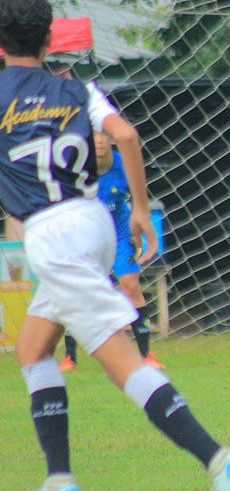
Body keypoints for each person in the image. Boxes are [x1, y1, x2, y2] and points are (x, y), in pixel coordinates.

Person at [0, 0, 230, 491]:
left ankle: (219, 460)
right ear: (50, 40)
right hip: (93, 222)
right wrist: (140, 210)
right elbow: (127, 135)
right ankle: (60, 484)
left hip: (52, 237)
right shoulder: (78, 89)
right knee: (32, 349)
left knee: (125, 365)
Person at [60, 131, 164, 371]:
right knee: (80, 292)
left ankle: (147, 355)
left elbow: (139, 200)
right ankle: (70, 357)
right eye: (92, 135)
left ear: (111, 139)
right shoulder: (77, 167)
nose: (98, 140)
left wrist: (138, 230)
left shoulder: (124, 164)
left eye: (102, 135)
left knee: (131, 286)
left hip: (119, 231)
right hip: (87, 234)